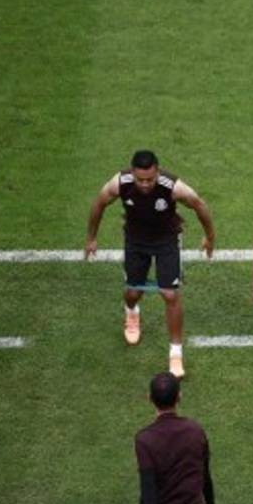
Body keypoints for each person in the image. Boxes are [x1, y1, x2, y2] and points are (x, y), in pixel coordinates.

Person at [85, 150, 216, 379]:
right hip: (135, 242)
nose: (145, 184)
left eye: (150, 180)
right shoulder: (120, 183)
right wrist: (91, 238)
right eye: (140, 180)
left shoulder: (172, 187)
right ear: (132, 173)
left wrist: (209, 236)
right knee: (133, 292)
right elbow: (99, 203)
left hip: (166, 241)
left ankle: (175, 354)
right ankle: (132, 312)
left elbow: (198, 204)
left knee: (170, 295)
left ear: (158, 172)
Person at [134, 372, 219, 504]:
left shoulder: (144, 439)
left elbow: (148, 485)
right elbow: (204, 473)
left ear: (149, 398)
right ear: (179, 397)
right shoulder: (195, 431)